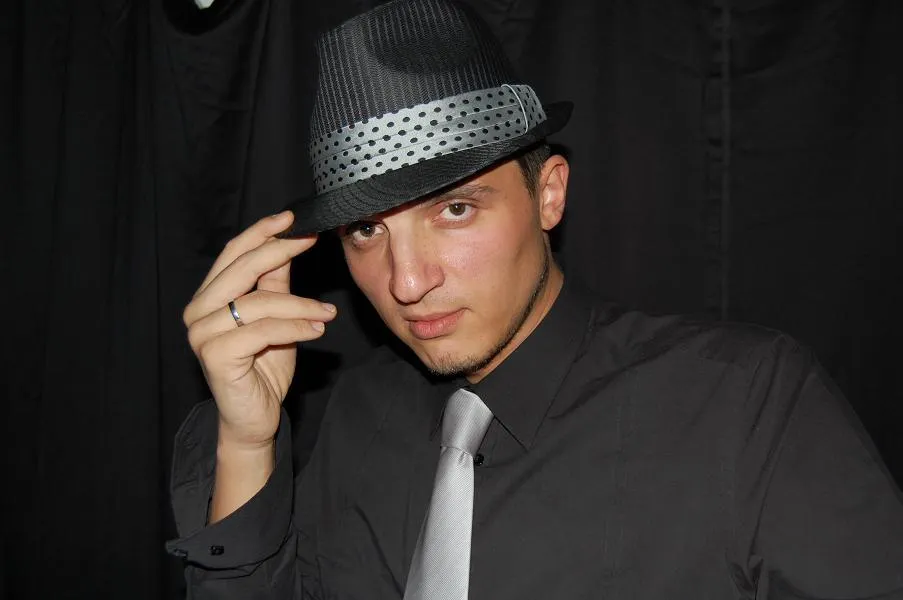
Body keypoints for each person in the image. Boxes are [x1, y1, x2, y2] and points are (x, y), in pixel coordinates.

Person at [166, 0, 903, 598]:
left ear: (547, 194)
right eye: (366, 230)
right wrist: (247, 444)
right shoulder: (356, 419)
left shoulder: (743, 404)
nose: (406, 281)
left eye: (455, 209)